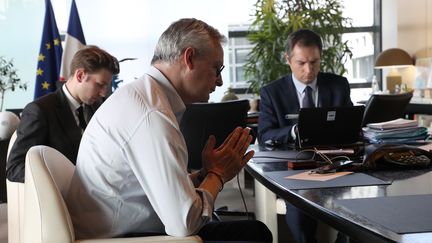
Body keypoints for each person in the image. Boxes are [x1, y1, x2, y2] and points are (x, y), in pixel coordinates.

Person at [66, 18, 272, 242]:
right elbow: (184, 224)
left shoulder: (144, 98)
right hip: (121, 237)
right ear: (189, 58)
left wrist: (205, 174)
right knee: (254, 235)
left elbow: (157, 189)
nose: (220, 81)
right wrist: (217, 175)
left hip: (119, 228)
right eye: (216, 68)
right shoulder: (152, 114)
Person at [257, 29, 353, 243]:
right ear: (287, 59)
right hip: (295, 170)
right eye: (301, 63)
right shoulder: (272, 92)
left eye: (314, 62)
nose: (309, 70)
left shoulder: (338, 85)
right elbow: (264, 135)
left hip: (337, 164)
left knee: (361, 204)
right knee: (301, 213)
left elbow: (351, 125)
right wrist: (293, 131)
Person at [6, 46, 119, 183]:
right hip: (64, 198)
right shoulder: (39, 111)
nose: (103, 93)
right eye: (100, 85)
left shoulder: (96, 106)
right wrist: (59, 180)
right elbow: (15, 168)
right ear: (80, 75)